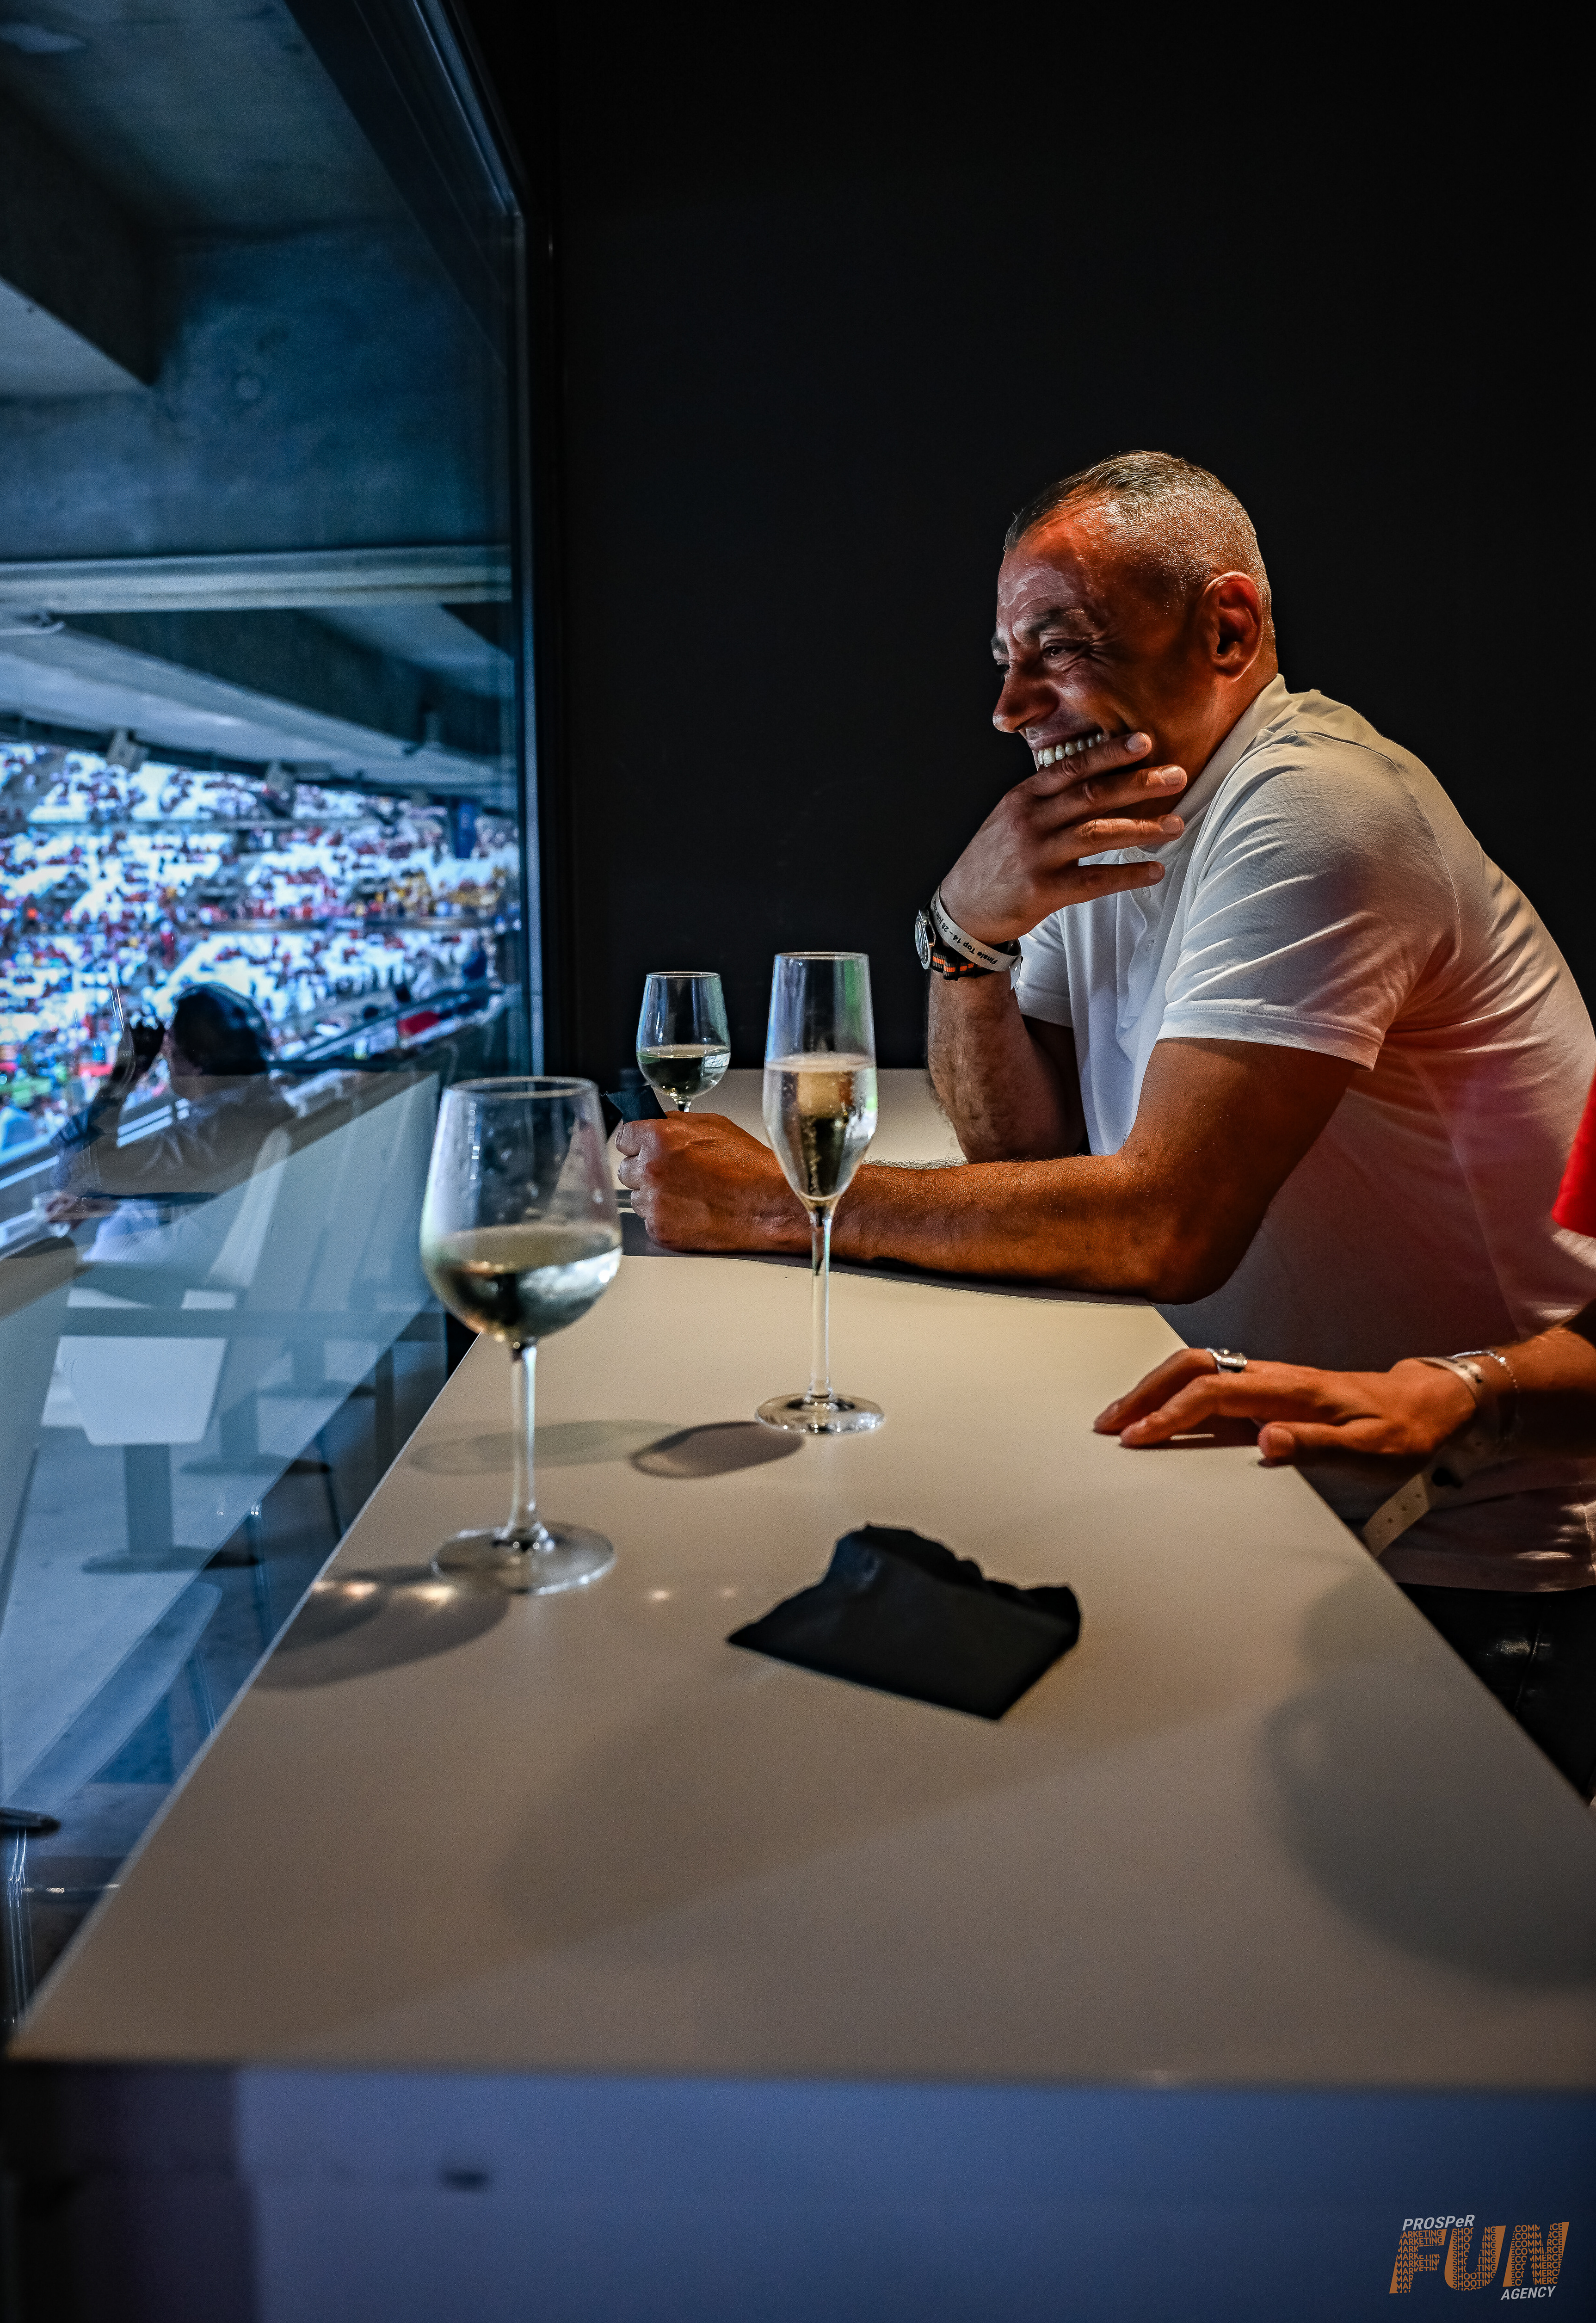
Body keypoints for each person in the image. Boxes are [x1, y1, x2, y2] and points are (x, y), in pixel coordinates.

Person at [618, 448, 1596, 1586]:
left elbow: (1161, 1229)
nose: (1007, 706)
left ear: (1226, 630)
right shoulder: (1125, 816)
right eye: (1002, 659)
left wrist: (782, 1203)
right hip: (1246, 1485)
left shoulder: (1320, 806)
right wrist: (963, 939)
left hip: (1451, 1559)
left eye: (1058, 646)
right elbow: (1025, 1160)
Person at [1096, 1079, 1596, 1795]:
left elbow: (1157, 1224)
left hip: (1487, 1567)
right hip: (1336, 1561)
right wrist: (1466, 1391)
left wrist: (1465, 1394)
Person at [46, 984, 295, 1260]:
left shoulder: (213, 1134)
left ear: (198, 1059)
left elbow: (75, 1173)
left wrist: (124, 1074)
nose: (164, 1050)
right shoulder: (262, 1106)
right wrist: (110, 1197)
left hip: (144, 1289)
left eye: (171, 1038)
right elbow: (199, 1186)